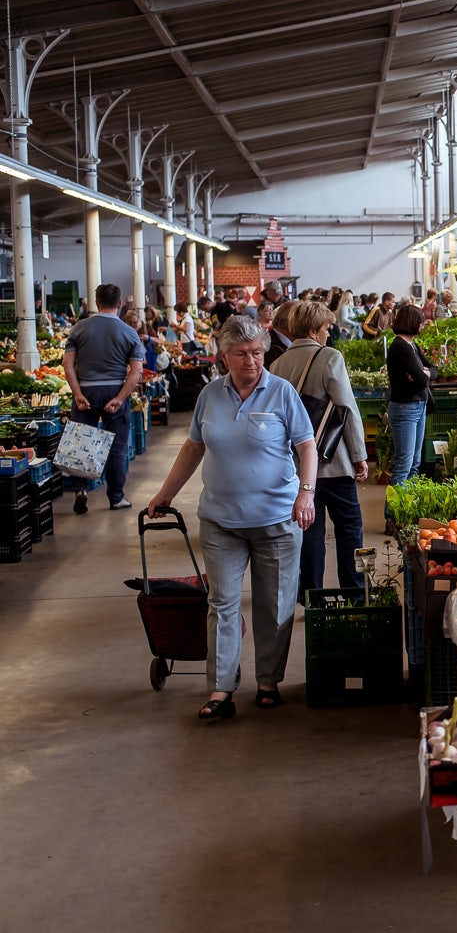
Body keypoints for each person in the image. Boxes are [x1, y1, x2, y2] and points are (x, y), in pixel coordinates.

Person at [146, 314, 317, 720]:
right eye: (241, 354)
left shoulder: (282, 393)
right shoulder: (210, 395)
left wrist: (306, 494)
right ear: (224, 356)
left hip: (277, 519)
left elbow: (307, 446)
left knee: (274, 605)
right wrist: (164, 495)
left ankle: (268, 682)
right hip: (221, 521)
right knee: (221, 603)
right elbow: (193, 447)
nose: (251, 361)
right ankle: (220, 689)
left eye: (257, 352)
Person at [268, 301, 370, 596]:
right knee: (350, 530)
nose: (329, 333)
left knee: (310, 531)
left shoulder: (278, 364)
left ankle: (311, 595)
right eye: (326, 328)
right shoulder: (329, 357)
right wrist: (359, 456)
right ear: (314, 330)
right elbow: (347, 409)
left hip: (299, 468)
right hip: (334, 462)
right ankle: (354, 590)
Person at [62, 283, 144, 513]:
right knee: (117, 447)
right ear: (119, 304)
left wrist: (77, 393)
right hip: (114, 390)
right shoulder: (129, 333)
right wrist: (120, 398)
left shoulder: (79, 328)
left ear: (96, 302)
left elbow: (68, 365)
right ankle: (116, 498)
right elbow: (136, 372)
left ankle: (81, 490)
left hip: (86, 390)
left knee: (82, 442)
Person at [386, 305, 437, 488]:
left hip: (418, 406)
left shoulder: (412, 345)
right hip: (405, 409)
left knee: (415, 464)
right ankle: (392, 513)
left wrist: (424, 372)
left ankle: (408, 508)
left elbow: (433, 369)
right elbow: (423, 380)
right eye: (420, 321)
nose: (423, 325)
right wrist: (422, 374)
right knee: (404, 465)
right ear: (412, 322)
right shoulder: (401, 347)